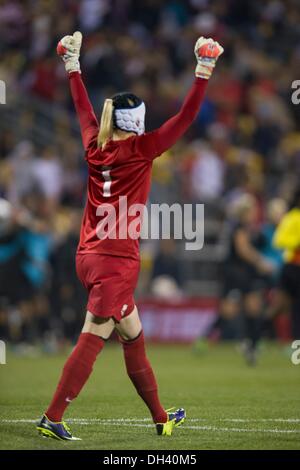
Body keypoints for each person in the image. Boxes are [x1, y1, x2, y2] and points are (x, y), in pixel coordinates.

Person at [37, 31, 223, 440]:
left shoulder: (94, 145)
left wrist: (72, 66)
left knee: (133, 335)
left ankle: (161, 419)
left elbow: (82, 109)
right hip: (116, 261)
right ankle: (52, 416)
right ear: (136, 122)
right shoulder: (142, 149)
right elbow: (187, 118)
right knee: (93, 336)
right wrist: (204, 69)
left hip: (88, 255)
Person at [273, 187, 300, 340]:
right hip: (292, 267)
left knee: (294, 306)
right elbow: (279, 240)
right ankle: (257, 336)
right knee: (282, 306)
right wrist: (297, 242)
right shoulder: (292, 217)